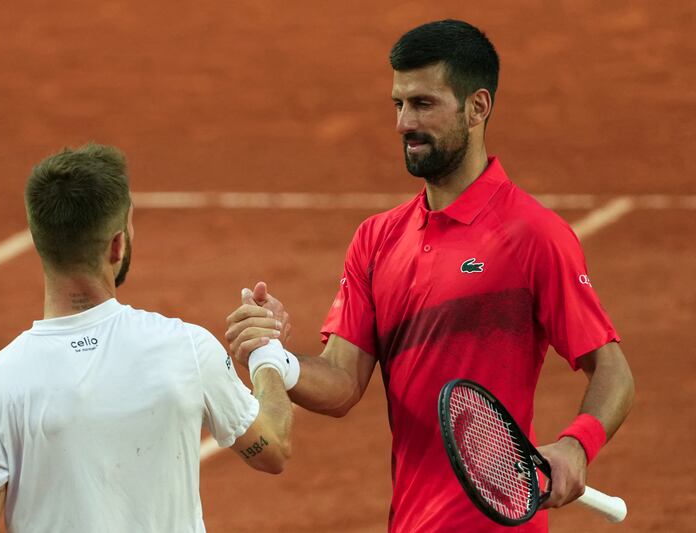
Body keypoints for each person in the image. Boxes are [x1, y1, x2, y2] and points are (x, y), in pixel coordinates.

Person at [225, 19, 635, 533]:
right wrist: (272, 356)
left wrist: (577, 446)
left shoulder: (534, 235)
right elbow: (342, 382)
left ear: (477, 107)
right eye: (398, 104)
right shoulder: (376, 239)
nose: (402, 123)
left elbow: (613, 371)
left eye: (423, 104)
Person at [0, 143, 293, 533]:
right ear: (116, 245)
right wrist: (267, 353)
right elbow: (273, 450)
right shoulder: (186, 348)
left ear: (41, 241)